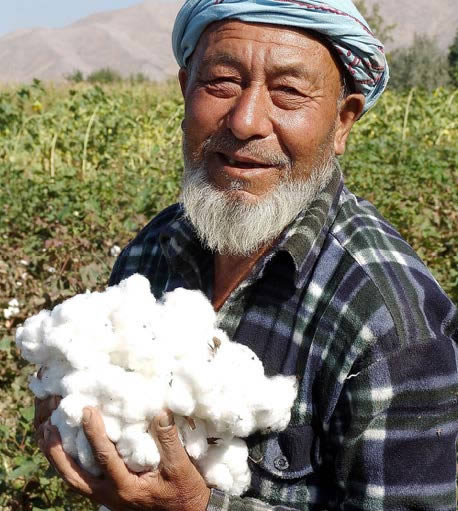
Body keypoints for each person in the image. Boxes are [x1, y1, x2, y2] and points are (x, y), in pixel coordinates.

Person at [35, 0, 458, 510]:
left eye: (289, 92)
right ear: (184, 90)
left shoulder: (391, 324)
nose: (246, 120)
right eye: (222, 82)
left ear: (343, 123)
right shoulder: (152, 252)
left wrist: (199, 507)